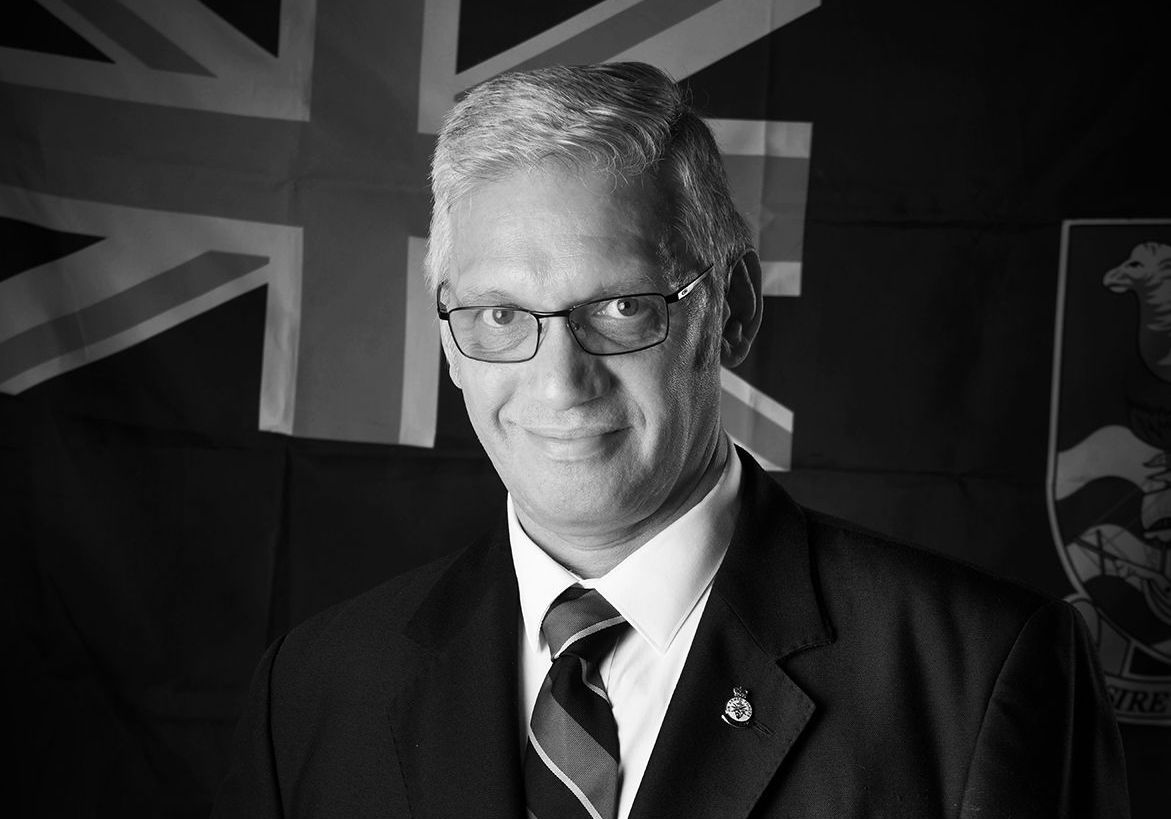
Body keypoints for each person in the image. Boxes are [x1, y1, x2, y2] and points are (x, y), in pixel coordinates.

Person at [212, 62, 1129, 817]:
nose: (559, 380)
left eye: (618, 307)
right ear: (451, 340)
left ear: (730, 311)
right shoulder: (316, 688)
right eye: (498, 314)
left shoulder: (976, 677)